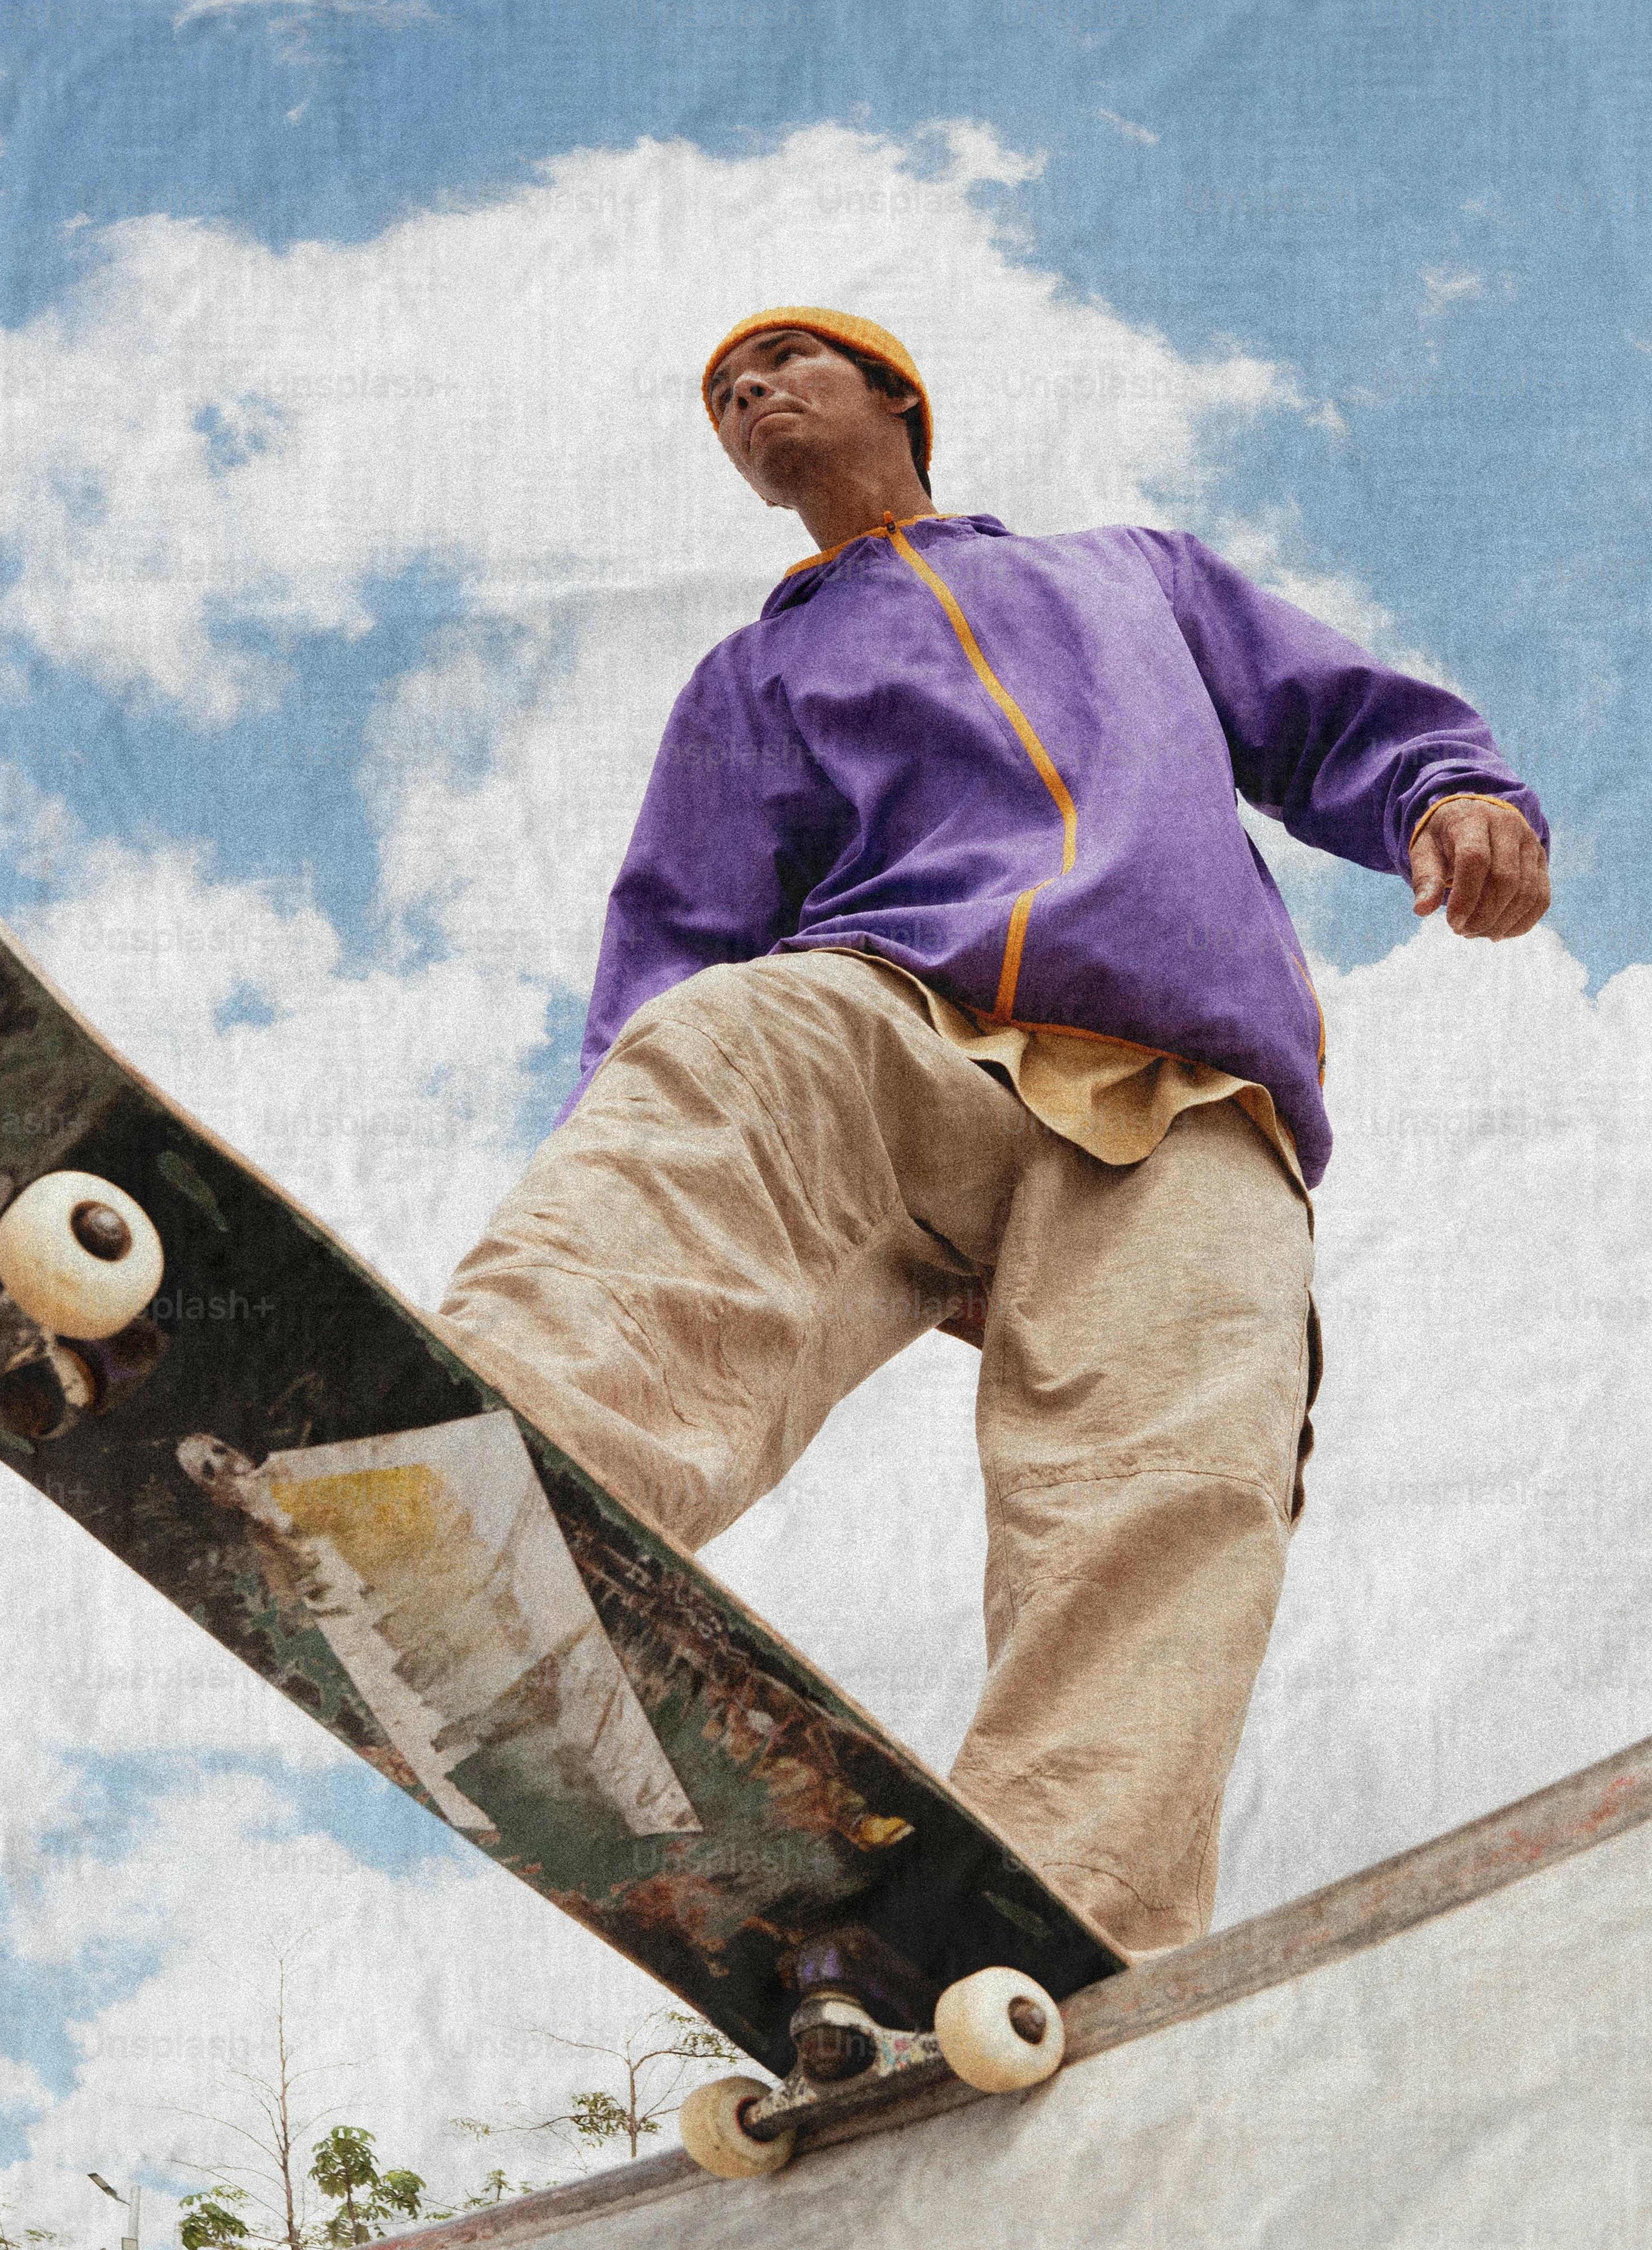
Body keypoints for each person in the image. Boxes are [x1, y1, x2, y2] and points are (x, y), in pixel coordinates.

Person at [437, 307, 1549, 1959]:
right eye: (725, 395)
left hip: (1189, 1085)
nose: (750, 397)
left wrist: (1448, 787)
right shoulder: (752, 678)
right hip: (904, 1014)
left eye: (785, 365)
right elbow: (680, 927)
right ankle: (505, 1467)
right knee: (720, 1047)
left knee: (1178, 1478)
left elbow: (1323, 708)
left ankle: (1066, 1909)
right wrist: (615, 1124)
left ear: (897, 393)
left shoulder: (1128, 576)